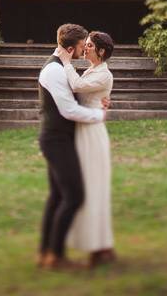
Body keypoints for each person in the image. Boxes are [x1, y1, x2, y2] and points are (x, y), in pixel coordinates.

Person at [37, 23, 110, 270]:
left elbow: (77, 94)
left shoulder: (59, 68)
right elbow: (68, 110)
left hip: (61, 139)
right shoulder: (54, 71)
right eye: (81, 46)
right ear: (70, 48)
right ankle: (55, 256)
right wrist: (97, 116)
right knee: (74, 196)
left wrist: (97, 101)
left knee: (58, 197)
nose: (84, 49)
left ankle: (46, 253)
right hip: (57, 140)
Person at [58, 30, 116, 267]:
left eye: (90, 45)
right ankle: (96, 245)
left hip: (92, 134)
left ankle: (100, 247)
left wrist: (65, 61)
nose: (86, 48)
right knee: (85, 188)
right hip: (83, 130)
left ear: (101, 51)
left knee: (94, 188)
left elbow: (78, 85)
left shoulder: (104, 74)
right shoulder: (93, 70)